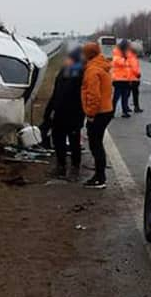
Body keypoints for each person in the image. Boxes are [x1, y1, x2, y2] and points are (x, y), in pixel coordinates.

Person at [42, 46, 85, 179]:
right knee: (58, 140)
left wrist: (82, 115)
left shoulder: (82, 74)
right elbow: (56, 93)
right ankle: (61, 167)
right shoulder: (63, 72)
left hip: (74, 114)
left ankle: (75, 168)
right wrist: (48, 112)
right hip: (59, 114)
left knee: (74, 142)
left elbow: (83, 96)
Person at [80, 41, 114, 189]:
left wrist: (90, 114)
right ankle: (99, 175)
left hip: (99, 112)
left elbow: (94, 96)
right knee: (97, 143)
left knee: (96, 144)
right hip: (106, 110)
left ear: (88, 54)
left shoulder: (92, 70)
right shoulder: (102, 66)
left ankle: (100, 178)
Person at [111, 40, 136, 117]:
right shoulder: (117, 54)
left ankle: (124, 111)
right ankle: (112, 112)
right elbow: (122, 63)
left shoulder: (126, 54)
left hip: (126, 80)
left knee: (125, 97)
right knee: (116, 97)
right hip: (118, 80)